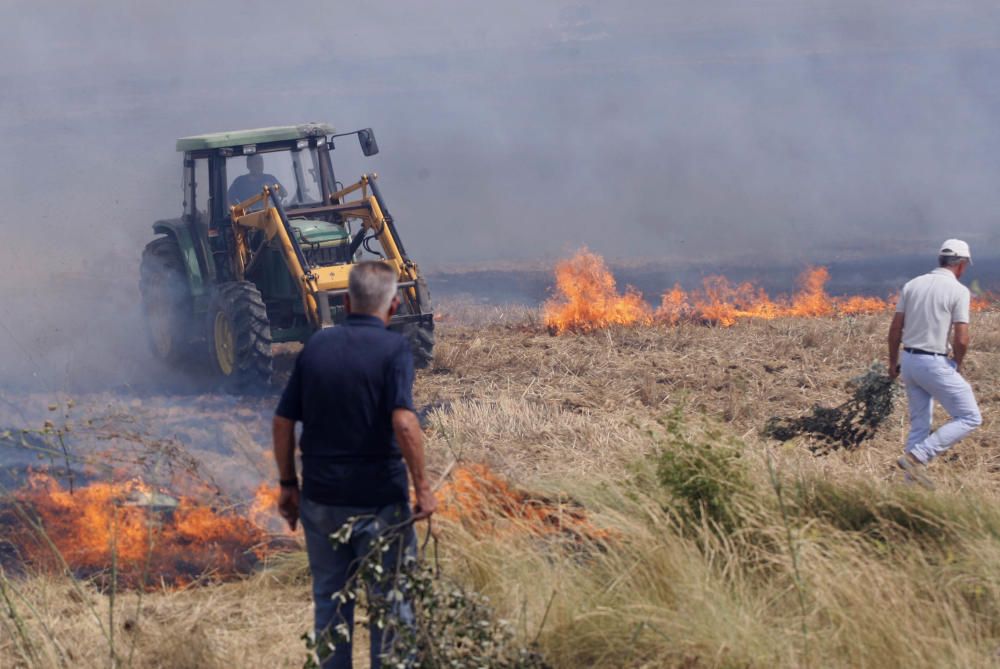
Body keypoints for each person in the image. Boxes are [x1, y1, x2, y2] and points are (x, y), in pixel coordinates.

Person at [273, 261, 437, 668]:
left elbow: (282, 421)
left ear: (345, 301)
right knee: (392, 608)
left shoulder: (316, 347)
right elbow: (403, 421)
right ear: (394, 306)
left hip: (323, 501)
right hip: (379, 502)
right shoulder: (395, 349)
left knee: (330, 607)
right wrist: (424, 487)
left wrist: (288, 485)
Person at [888, 239, 982, 487]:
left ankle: (908, 489)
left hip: (908, 361)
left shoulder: (913, 285)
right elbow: (961, 338)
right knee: (970, 416)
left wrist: (892, 363)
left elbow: (895, 328)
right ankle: (918, 456)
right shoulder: (958, 291)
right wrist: (957, 365)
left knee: (919, 426)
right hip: (933, 362)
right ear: (961, 265)